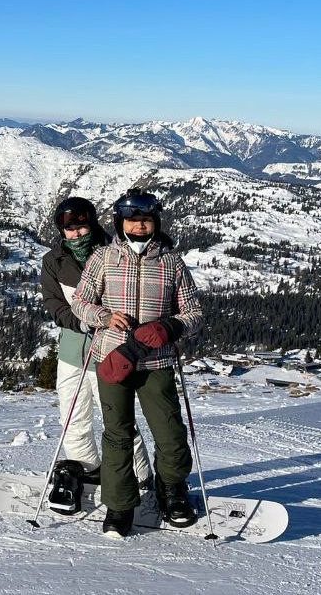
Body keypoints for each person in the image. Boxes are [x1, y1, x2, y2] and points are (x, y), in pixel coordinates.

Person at [72, 188, 204, 538]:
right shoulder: (102, 258)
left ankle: (172, 492)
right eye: (133, 221)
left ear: (155, 222)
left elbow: (195, 313)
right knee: (118, 435)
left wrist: (171, 326)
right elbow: (80, 303)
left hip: (156, 362)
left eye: (146, 221)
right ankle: (119, 505)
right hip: (113, 359)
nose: (140, 227)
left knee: (170, 432)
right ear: (120, 222)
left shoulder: (172, 262)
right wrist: (102, 316)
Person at [39, 197, 152, 513]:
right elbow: (54, 303)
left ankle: (142, 478)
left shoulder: (114, 253)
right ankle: (87, 471)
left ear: (93, 223)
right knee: (73, 416)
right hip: (73, 348)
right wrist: (80, 320)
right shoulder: (55, 261)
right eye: (68, 229)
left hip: (111, 350)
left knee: (117, 418)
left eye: (81, 226)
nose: (75, 234)